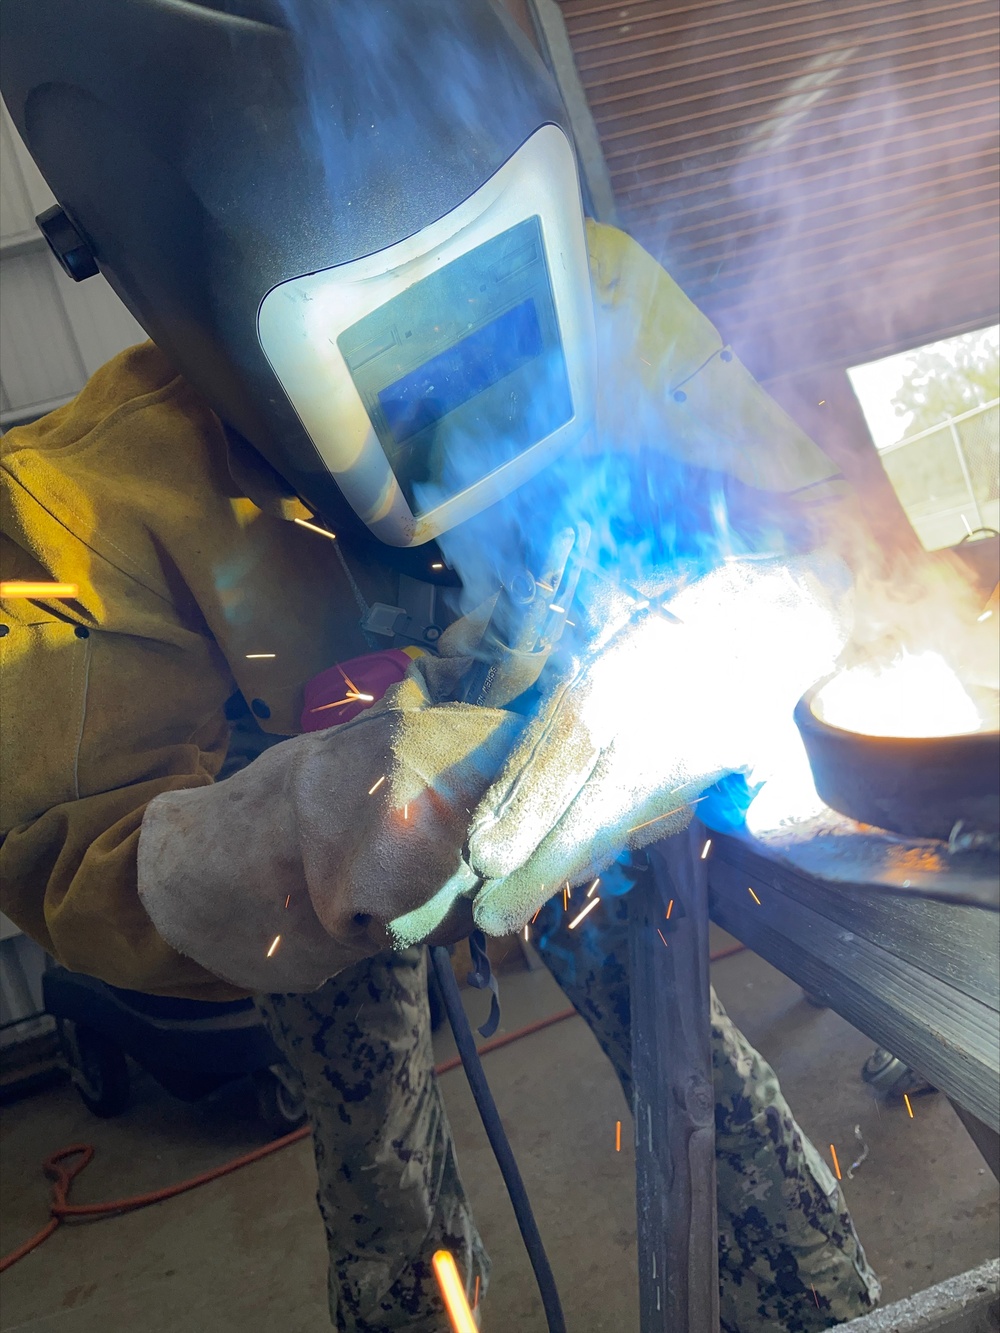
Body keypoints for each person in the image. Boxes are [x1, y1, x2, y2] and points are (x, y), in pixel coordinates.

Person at [1, 2, 882, 1328]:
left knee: (696, 1066)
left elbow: (804, 527)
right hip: (319, 878)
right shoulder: (97, 491)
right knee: (383, 1178)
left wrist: (738, 633)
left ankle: (823, 1299)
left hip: (587, 752)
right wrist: (310, 832)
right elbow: (70, 852)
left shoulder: (600, 289)